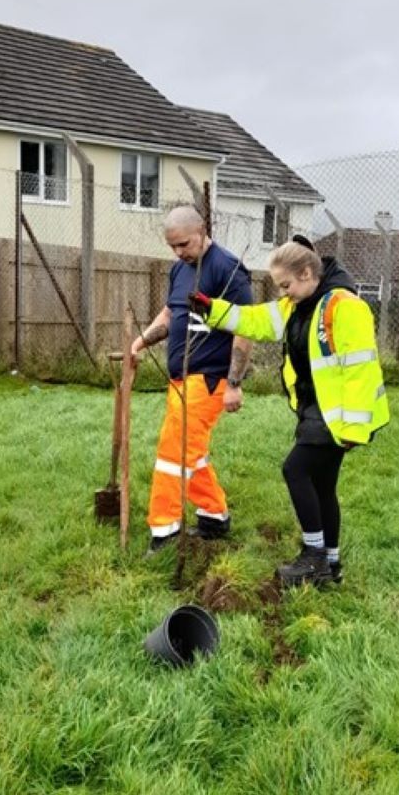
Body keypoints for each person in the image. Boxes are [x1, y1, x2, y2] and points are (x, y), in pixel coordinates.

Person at [189, 235, 389, 587]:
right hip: (314, 409)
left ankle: (312, 557)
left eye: (286, 285)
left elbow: (361, 371)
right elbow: (255, 320)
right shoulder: (297, 304)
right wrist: (212, 310)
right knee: (323, 486)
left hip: (336, 417)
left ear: (308, 272)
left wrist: (352, 431)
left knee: (294, 470)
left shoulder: (345, 307)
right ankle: (330, 563)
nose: (283, 293)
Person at [130, 205, 253, 554]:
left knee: (174, 451)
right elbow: (172, 313)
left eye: (183, 244)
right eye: (172, 247)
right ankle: (214, 515)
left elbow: (245, 331)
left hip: (209, 378)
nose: (178, 252)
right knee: (191, 452)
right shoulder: (179, 269)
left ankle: (165, 530)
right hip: (180, 378)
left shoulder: (228, 270)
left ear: (201, 231)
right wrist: (140, 342)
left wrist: (233, 383)